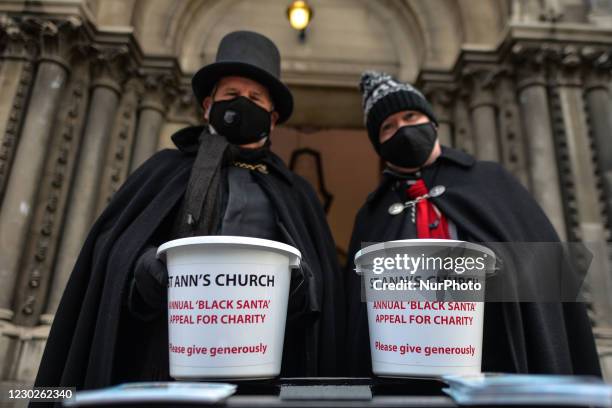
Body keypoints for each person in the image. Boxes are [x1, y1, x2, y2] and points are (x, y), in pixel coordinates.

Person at [34, 31, 344, 391]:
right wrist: (142, 268)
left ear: (272, 119)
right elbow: (113, 249)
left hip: (263, 370)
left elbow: (323, 287)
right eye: (231, 95)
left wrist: (302, 285)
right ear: (208, 106)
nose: (243, 102)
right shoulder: (164, 169)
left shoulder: (296, 193)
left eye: (255, 98)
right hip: (166, 361)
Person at [345, 71, 601, 376]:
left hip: (496, 353)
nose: (402, 128)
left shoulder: (490, 181)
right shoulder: (372, 214)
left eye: (410, 116)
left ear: (432, 121)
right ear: (378, 143)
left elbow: (543, 274)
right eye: (388, 126)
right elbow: (359, 312)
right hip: (406, 364)